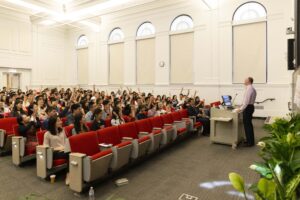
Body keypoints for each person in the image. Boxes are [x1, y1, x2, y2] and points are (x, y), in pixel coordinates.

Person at [43, 116, 70, 185]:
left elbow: (66, 142)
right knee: (69, 153)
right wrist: (59, 148)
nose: (61, 122)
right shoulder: (47, 134)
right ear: (53, 123)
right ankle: (68, 175)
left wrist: (65, 147)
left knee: (72, 152)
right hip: (54, 153)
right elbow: (46, 147)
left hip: (64, 150)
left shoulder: (62, 130)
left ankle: (75, 174)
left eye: (60, 120)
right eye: (58, 121)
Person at [236, 77, 257, 147]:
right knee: (248, 125)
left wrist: (240, 109)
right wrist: (241, 106)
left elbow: (246, 101)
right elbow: (245, 101)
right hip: (249, 107)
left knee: (248, 125)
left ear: (249, 81)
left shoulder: (249, 89)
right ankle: (249, 140)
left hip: (248, 108)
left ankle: (250, 142)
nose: (244, 81)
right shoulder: (250, 88)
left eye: (245, 80)